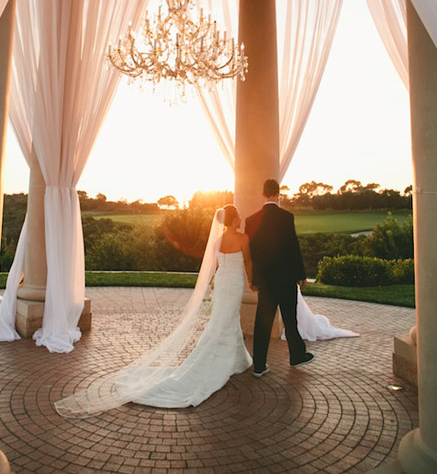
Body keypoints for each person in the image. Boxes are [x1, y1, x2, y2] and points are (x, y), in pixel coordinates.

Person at [55, 204, 253, 416]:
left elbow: (213, 266)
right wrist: (252, 282)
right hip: (235, 282)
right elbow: (248, 263)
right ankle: (228, 361)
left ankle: (238, 358)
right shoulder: (243, 239)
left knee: (222, 319)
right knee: (227, 318)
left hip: (223, 282)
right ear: (233, 220)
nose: (240, 219)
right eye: (238, 216)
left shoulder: (217, 240)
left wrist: (214, 284)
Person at [247, 178, 314, 376]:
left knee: (262, 323)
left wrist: (254, 279)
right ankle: (296, 357)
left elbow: (252, 253)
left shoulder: (252, 220)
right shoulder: (287, 217)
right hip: (286, 280)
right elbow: (294, 248)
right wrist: (301, 275)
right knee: (290, 320)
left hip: (265, 281)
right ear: (278, 194)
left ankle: (259, 365)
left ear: (263, 194)